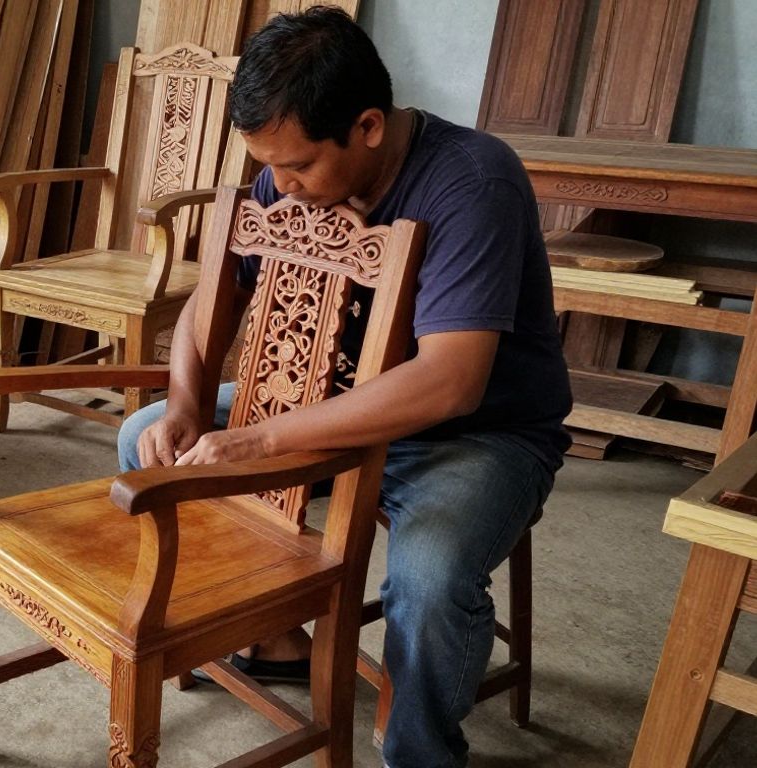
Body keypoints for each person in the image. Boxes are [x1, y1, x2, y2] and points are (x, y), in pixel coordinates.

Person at [116, 7, 572, 767]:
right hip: (327, 404)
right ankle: (276, 638)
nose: (281, 187)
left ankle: (418, 753)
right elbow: (216, 294)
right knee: (147, 439)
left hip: (474, 436)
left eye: (297, 166)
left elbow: (451, 380)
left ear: (367, 127)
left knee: (429, 580)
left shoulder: (472, 181)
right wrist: (191, 404)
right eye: (268, 167)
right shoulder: (287, 180)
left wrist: (257, 439)